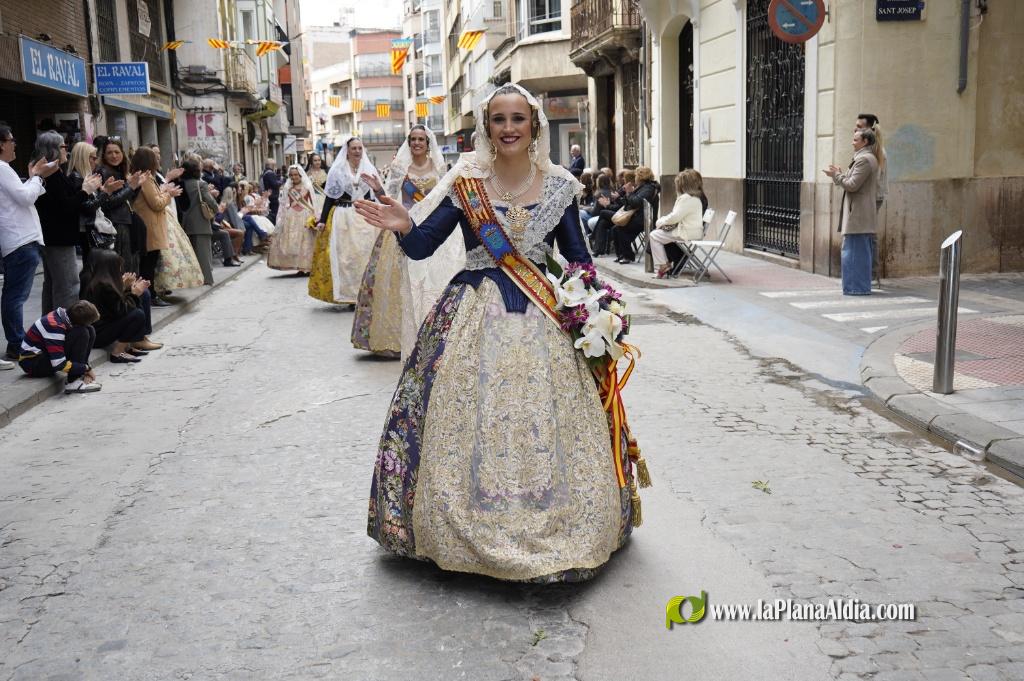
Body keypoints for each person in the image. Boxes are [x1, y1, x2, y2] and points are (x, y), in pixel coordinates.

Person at [354, 83, 637, 582]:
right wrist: (403, 224)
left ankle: (560, 523)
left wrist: (595, 312)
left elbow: (578, 263)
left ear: (534, 127)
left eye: (518, 119)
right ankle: (461, 528)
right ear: (487, 127)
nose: (508, 128)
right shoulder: (466, 181)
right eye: (499, 120)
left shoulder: (559, 186)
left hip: (541, 316)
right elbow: (422, 247)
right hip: (472, 309)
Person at [353, 125, 452, 357]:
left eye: (421, 139)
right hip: (402, 228)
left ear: (428, 144)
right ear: (409, 142)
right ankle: (394, 339)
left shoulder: (440, 168)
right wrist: (378, 189)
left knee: (431, 284)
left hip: (431, 229)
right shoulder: (399, 168)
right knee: (397, 284)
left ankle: (429, 334)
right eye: (413, 139)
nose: (417, 143)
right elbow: (389, 197)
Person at [1, 122, 59, 364]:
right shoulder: (2, 168)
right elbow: (25, 198)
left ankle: (18, 342)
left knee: (13, 296)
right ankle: (17, 344)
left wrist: (35, 179)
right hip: (20, 241)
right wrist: (37, 177)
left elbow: (20, 196)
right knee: (15, 297)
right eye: (12, 140)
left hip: (20, 240)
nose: (15, 144)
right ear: (2, 144)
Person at [33, 131, 102, 313]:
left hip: (55, 236)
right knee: (68, 285)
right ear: (53, 150)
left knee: (54, 285)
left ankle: (49, 328)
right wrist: (85, 190)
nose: (67, 150)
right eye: (64, 146)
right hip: (58, 238)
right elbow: (66, 206)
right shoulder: (50, 175)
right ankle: (64, 329)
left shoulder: (54, 172)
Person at [310, 137, 382, 305]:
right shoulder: (338, 170)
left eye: (359, 148)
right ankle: (349, 295)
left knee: (364, 254)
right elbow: (329, 197)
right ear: (347, 150)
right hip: (344, 216)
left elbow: (378, 195)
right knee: (346, 257)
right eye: (354, 148)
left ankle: (364, 294)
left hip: (364, 216)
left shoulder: (369, 168)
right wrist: (322, 219)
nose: (357, 151)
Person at [825, 128, 879, 296]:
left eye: (856, 140)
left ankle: (856, 288)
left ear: (865, 142)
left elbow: (852, 185)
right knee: (856, 252)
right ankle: (856, 287)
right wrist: (839, 175)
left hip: (858, 216)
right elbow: (850, 181)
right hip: (859, 215)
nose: (852, 142)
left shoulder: (864, 160)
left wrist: (837, 176)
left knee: (854, 253)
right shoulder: (864, 158)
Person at [81, 249, 162, 362]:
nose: (120, 270)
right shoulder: (103, 287)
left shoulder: (102, 282)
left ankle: (137, 340)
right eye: (118, 267)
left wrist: (126, 288)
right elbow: (122, 311)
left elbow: (116, 307)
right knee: (137, 315)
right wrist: (134, 294)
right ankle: (117, 352)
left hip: (103, 327)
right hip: (98, 335)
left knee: (144, 295)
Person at [130, 146, 180, 307]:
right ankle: (149, 296)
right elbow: (156, 203)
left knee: (149, 263)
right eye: (156, 158)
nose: (158, 161)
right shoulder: (146, 178)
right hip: (150, 227)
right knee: (148, 264)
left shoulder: (146, 177)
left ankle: (150, 294)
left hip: (150, 225)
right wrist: (168, 195)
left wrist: (163, 191)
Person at [18, 300, 102, 393]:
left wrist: (85, 369)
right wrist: (86, 368)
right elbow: (59, 364)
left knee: (90, 330)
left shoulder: (65, 315)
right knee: (82, 333)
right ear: (77, 324)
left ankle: (79, 376)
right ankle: (73, 382)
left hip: (43, 355)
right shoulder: (54, 326)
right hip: (33, 364)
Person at [96, 139, 144, 274]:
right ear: (104, 156)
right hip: (115, 224)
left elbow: (128, 198)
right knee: (121, 267)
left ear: (122, 154)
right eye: (109, 152)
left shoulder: (118, 170)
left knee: (127, 265)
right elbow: (108, 202)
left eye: (117, 152)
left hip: (123, 221)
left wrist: (136, 185)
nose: (114, 155)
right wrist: (131, 187)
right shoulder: (104, 172)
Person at [650, 169, 704, 278]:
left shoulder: (686, 198)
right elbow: (675, 216)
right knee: (659, 234)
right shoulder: (695, 198)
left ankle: (663, 265)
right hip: (693, 231)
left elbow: (674, 217)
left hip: (686, 232)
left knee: (654, 235)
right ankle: (664, 264)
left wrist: (659, 222)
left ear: (683, 185)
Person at [180, 156, 223, 285]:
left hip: (184, 224)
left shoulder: (180, 184)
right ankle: (207, 279)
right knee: (204, 255)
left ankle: (192, 280)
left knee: (189, 255)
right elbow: (211, 202)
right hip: (200, 223)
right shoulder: (201, 184)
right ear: (196, 171)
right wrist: (216, 209)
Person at [266, 166, 318, 272]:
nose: (294, 177)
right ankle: (296, 265)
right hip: (291, 215)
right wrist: (280, 219)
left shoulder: (307, 186)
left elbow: (314, 203)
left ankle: (306, 265)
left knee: (305, 241)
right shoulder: (287, 187)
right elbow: (283, 204)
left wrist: (316, 216)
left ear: (300, 175)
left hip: (305, 214)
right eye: (292, 175)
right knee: (292, 241)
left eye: (296, 175)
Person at [612, 166, 660, 264]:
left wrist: (629, 192)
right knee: (616, 229)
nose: (635, 178)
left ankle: (628, 256)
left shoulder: (649, 188)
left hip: (645, 219)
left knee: (620, 229)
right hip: (638, 217)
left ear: (640, 177)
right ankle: (622, 254)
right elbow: (630, 202)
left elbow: (637, 202)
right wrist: (624, 196)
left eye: (636, 176)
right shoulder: (643, 187)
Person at [855, 113, 887, 211]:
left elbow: (873, 178)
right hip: (869, 197)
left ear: (869, 130)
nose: (855, 129)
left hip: (871, 198)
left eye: (859, 127)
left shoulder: (875, 150)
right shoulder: (868, 148)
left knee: (863, 226)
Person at [261, 158, 282, 223]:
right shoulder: (270, 173)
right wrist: (281, 181)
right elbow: (275, 184)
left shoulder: (265, 172)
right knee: (275, 213)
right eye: (274, 165)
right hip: (273, 197)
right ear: (272, 165)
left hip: (269, 196)